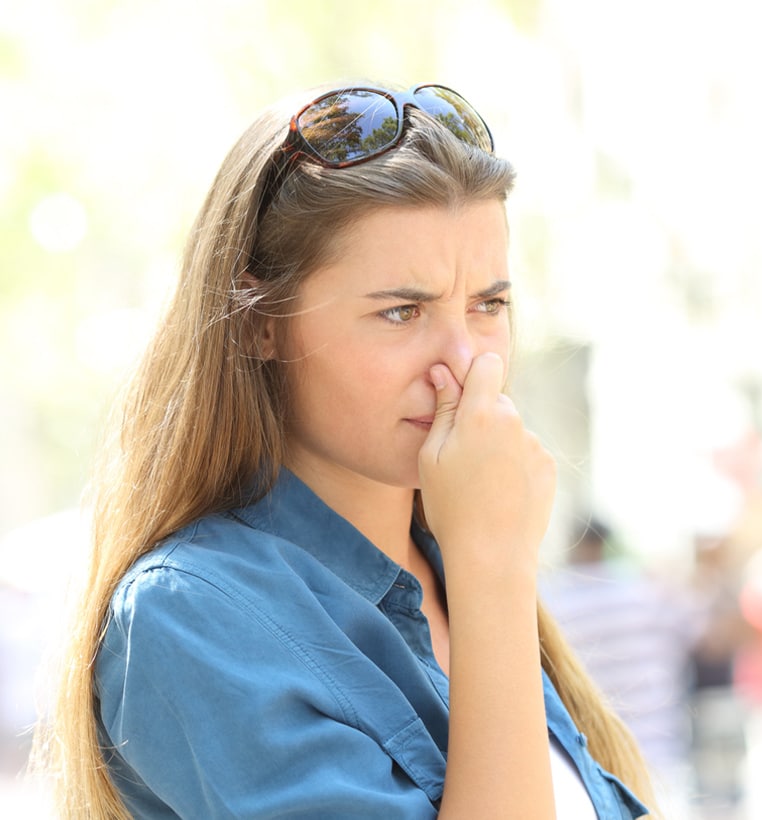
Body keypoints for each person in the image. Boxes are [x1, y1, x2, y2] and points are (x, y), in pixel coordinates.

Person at [30, 82, 658, 819]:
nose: (464, 362)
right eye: (402, 311)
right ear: (259, 326)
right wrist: (495, 568)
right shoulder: (191, 614)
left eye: (488, 305)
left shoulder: (453, 571)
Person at [540, 520, 699, 819]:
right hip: (658, 745)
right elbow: (697, 636)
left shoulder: (555, 601)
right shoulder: (643, 593)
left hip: (591, 756)